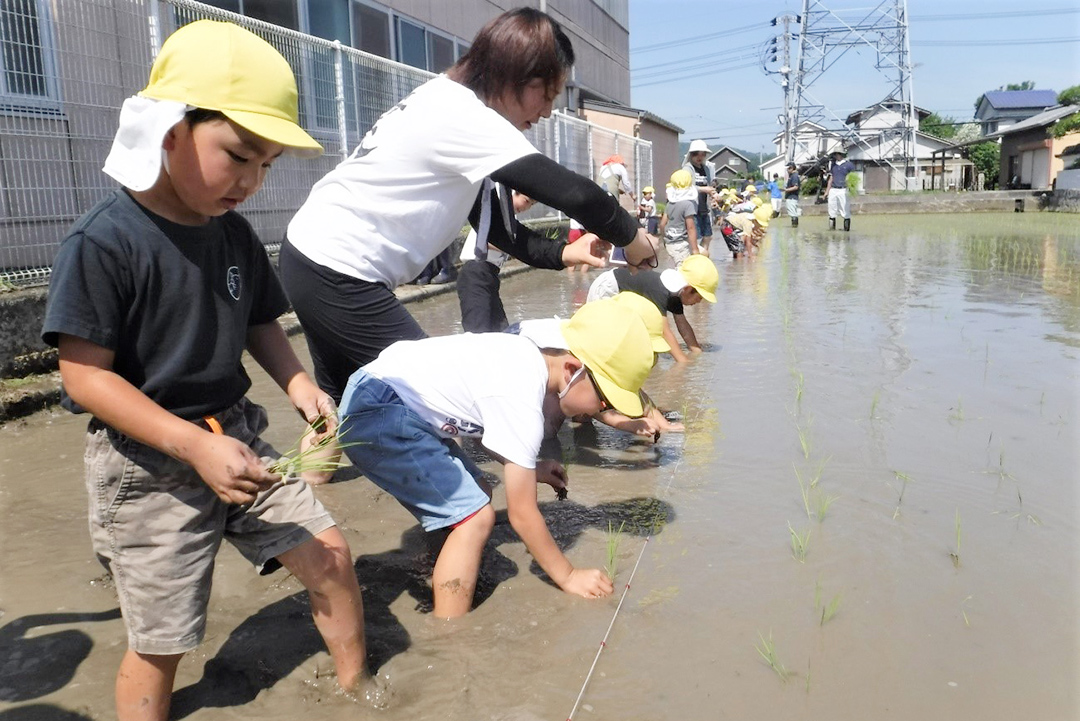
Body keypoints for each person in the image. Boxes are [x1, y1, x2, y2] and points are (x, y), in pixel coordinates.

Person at [39, 21, 372, 719]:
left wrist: (299, 382)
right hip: (148, 462)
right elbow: (84, 378)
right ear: (168, 131)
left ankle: (357, 695)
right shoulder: (104, 241)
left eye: (267, 166)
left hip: (240, 439)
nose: (250, 181)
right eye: (238, 155)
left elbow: (259, 321)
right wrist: (192, 444)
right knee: (163, 638)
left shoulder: (233, 233)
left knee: (333, 558)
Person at [281, 8, 658, 402]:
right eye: (545, 94)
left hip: (310, 257)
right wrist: (632, 239)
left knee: (340, 408)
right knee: (438, 405)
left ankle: (310, 467)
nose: (547, 111)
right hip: (339, 272)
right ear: (512, 74)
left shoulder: (444, 101)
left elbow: (496, 230)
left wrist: (565, 251)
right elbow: (577, 195)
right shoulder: (464, 114)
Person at [335, 300, 655, 618]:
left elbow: (482, 419)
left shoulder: (523, 355)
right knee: (475, 519)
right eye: (603, 399)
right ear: (573, 368)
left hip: (383, 395)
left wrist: (535, 468)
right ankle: (450, 630)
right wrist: (568, 575)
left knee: (479, 493)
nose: (599, 410)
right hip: (379, 414)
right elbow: (522, 514)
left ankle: (439, 560)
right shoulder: (523, 397)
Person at [508, 291, 685, 438]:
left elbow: (630, 390)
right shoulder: (591, 346)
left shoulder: (602, 337)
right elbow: (594, 397)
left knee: (580, 402)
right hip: (520, 347)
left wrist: (662, 423)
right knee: (549, 426)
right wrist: (628, 424)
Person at [586, 255, 719, 362]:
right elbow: (664, 330)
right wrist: (682, 360)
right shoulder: (661, 290)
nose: (699, 302)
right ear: (688, 288)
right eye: (699, 297)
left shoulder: (676, 294)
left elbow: (683, 325)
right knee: (604, 339)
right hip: (607, 290)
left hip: (624, 295)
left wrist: (696, 351)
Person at [456, 189, 537, 332]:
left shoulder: (511, 222)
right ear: (514, 193)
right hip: (475, 272)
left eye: (530, 205)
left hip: (490, 275)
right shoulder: (495, 212)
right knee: (478, 330)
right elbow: (485, 241)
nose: (526, 207)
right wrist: (514, 248)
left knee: (500, 330)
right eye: (526, 201)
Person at [683, 139, 717, 255]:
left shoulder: (706, 169)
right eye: (696, 154)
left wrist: (713, 194)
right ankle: (696, 258)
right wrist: (703, 189)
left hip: (704, 208)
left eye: (703, 154)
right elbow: (686, 187)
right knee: (693, 238)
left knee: (708, 236)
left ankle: (702, 259)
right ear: (691, 155)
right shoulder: (687, 169)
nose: (700, 157)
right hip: (692, 209)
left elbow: (709, 185)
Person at [657, 169, 699, 264]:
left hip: (670, 243)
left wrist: (664, 238)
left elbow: (662, 224)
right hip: (682, 244)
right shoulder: (688, 204)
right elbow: (691, 228)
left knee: (674, 265)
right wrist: (695, 249)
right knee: (683, 269)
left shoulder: (670, 204)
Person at [825, 148, 855, 231]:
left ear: (841, 154)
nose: (836, 156)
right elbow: (831, 178)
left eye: (837, 154)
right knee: (831, 208)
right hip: (833, 189)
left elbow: (853, 178)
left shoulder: (849, 165)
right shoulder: (833, 165)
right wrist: (827, 191)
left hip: (843, 189)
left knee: (845, 209)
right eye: (835, 154)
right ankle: (832, 228)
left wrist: (850, 186)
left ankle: (846, 229)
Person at [784, 162, 802, 227]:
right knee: (793, 213)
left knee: (793, 214)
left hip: (792, 197)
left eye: (787, 169)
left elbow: (795, 187)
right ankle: (795, 227)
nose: (787, 171)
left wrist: (786, 190)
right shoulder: (792, 176)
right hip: (792, 197)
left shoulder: (794, 176)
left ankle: (794, 228)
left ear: (791, 168)